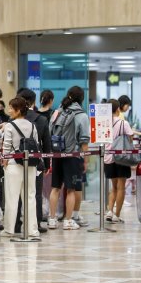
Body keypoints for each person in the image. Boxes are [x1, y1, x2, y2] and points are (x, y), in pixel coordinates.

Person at [48, 86, 89, 230]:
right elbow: (84, 141)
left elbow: (49, 130)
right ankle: (68, 220)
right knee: (71, 189)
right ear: (81, 99)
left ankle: (52, 220)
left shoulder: (57, 111)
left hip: (57, 153)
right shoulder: (82, 115)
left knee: (55, 188)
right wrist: (86, 160)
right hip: (72, 155)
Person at [2, 97, 39, 237]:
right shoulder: (32, 125)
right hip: (30, 164)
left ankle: (9, 229)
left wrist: (5, 161)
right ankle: (32, 230)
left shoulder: (10, 126)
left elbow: (7, 146)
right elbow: (36, 144)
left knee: (12, 197)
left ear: (18, 110)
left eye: (11, 108)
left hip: (13, 164)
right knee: (30, 196)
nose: (9, 110)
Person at [17, 88, 51, 233]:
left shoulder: (14, 119)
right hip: (36, 162)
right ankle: (35, 223)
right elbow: (47, 144)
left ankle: (16, 224)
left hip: (16, 161)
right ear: (33, 102)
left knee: (17, 193)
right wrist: (48, 164)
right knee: (35, 193)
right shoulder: (42, 119)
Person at [104, 99, 134, 224]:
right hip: (121, 158)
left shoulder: (103, 123)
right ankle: (117, 214)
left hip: (108, 158)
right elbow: (130, 138)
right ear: (117, 109)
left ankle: (110, 211)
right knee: (121, 187)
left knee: (113, 187)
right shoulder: (123, 123)